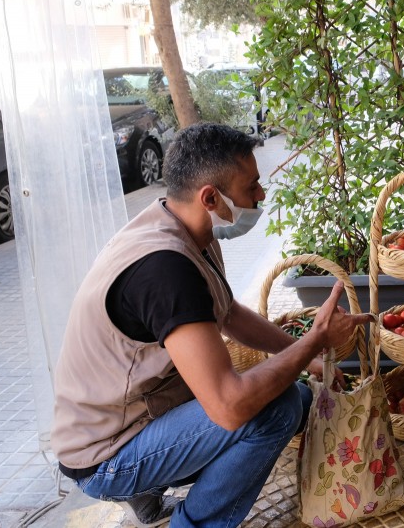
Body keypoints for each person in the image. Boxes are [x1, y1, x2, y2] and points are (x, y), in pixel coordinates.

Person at [51, 122, 375, 527]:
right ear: (210, 197)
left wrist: (306, 360)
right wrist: (313, 343)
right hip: (104, 456)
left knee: (300, 394)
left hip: (131, 416)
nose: (260, 195)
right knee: (278, 408)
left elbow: (230, 314)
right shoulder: (165, 270)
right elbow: (229, 406)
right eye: (251, 186)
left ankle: (147, 499)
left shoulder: (184, 226)